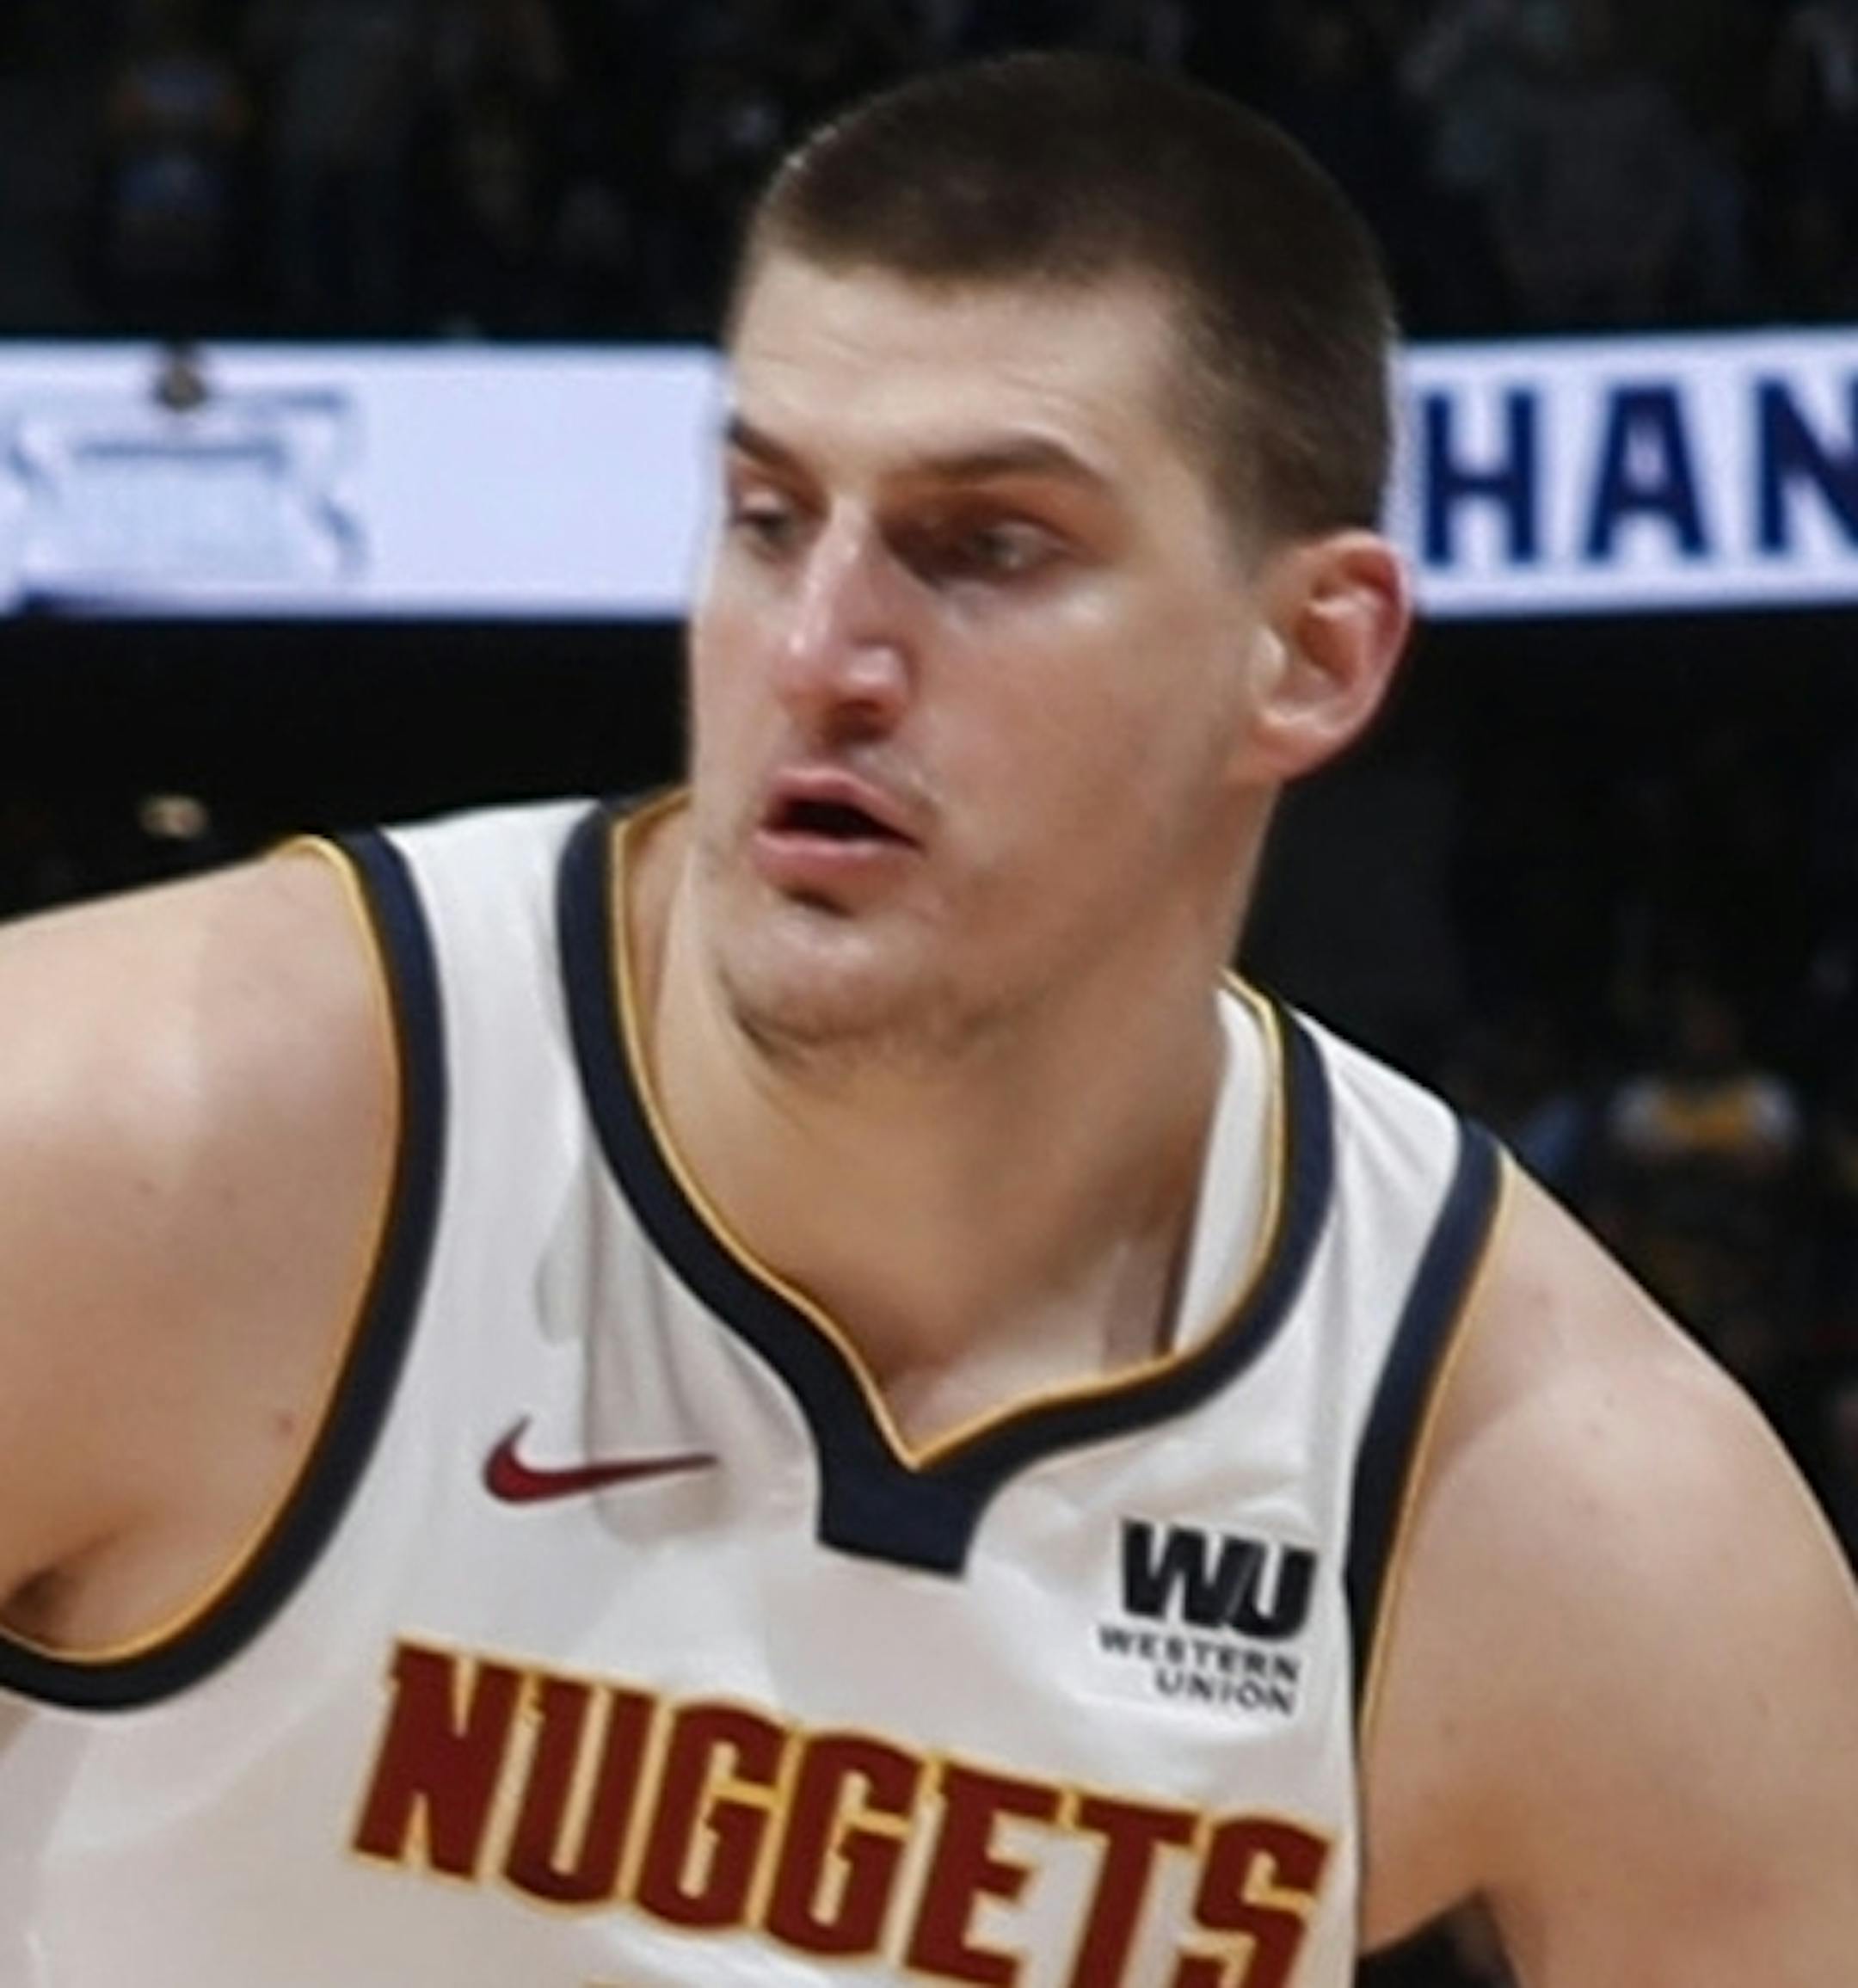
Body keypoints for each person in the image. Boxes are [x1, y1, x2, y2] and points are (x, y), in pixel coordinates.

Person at [1, 51, 1855, 1988]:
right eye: (770, 516)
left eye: (987, 547)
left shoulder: (1587, 1516)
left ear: (1308, 655)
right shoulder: (135, 1138)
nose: (823, 658)